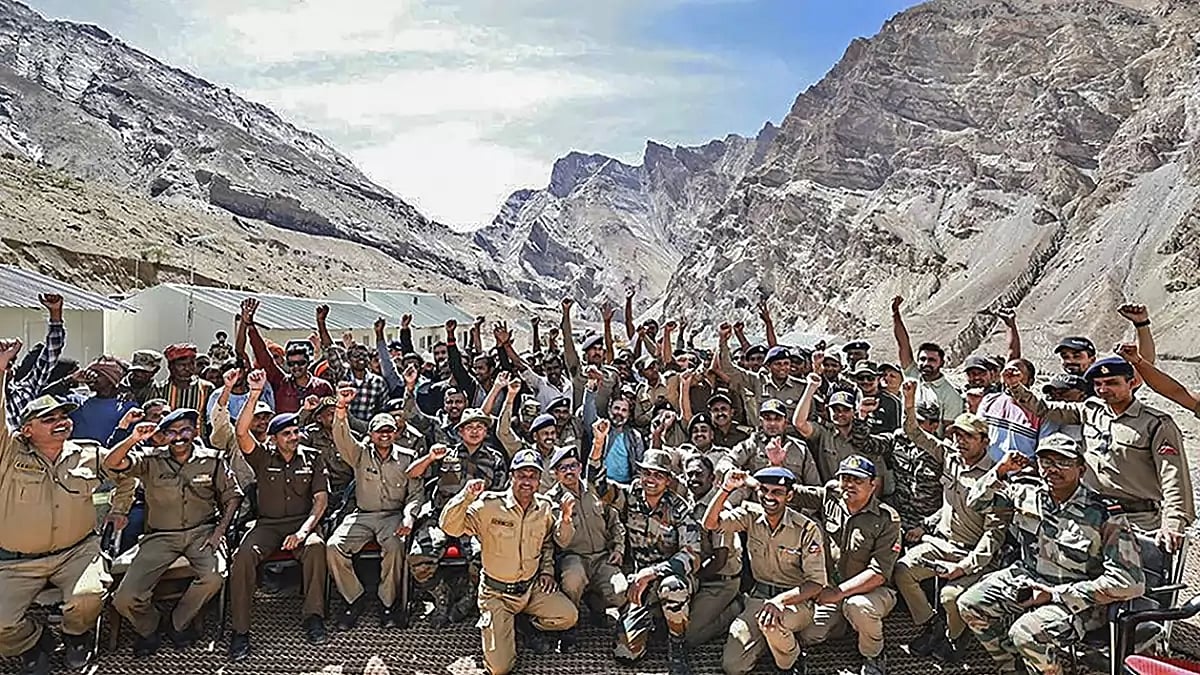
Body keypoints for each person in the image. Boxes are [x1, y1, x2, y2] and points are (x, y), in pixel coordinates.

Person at [0, 338, 136, 674]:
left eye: (64, 415)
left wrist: (119, 509)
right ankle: (33, 642)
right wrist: (1, 368)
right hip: (17, 563)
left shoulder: (88, 451)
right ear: (26, 430)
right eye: (49, 419)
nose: (61, 421)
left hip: (77, 552)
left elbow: (126, 475)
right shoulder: (8, 453)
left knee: (88, 596)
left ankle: (77, 636)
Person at [957, 436, 1145, 675]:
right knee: (970, 604)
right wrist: (1000, 469)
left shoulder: (1104, 513)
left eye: (1063, 462)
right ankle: (1014, 667)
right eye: (1045, 461)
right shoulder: (1027, 494)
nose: (1052, 469)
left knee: (1026, 633)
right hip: (1029, 578)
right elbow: (975, 502)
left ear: (1081, 468)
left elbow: (1129, 583)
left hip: (1078, 599)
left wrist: (1054, 595)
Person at [1003, 357, 1194, 555]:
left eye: (1112, 383)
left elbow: (1173, 476)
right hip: (1090, 514)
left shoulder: (1155, 424)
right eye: (1098, 384)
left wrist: (1173, 523)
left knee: (1133, 580)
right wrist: (1016, 387)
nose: (1103, 389)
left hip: (1136, 519)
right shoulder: (1091, 410)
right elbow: (1045, 409)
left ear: (1131, 383)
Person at [105, 408, 242, 657]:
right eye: (172, 432)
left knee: (214, 577)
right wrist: (134, 438)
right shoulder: (149, 460)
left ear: (196, 431)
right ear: (164, 435)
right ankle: (150, 627)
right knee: (124, 597)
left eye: (185, 430)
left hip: (202, 532)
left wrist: (220, 531)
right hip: (160, 536)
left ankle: (179, 623)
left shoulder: (213, 459)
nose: (179, 437)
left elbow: (233, 496)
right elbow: (111, 463)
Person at [893, 381, 1005, 663]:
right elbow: (914, 433)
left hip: (973, 554)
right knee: (903, 570)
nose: (960, 441)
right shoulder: (950, 458)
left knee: (950, 596)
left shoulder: (995, 477)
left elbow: (994, 536)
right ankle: (932, 625)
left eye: (968, 436)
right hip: (942, 544)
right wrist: (908, 401)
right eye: (957, 435)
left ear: (984, 440)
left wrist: (962, 567)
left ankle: (956, 638)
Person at [440, 450, 578, 675]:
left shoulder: (543, 507)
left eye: (532, 476)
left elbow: (549, 542)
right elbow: (449, 527)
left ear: (539, 480)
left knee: (568, 616)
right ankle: (502, 624)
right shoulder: (489, 505)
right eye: (521, 475)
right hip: (497, 594)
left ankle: (521, 624)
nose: (527, 481)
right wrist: (465, 496)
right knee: (500, 669)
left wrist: (547, 571)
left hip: (530, 590)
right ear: (511, 476)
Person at [227, 371, 329, 659]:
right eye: (287, 433)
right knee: (242, 557)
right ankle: (241, 631)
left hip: (301, 523)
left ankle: (314, 617)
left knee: (315, 549)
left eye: (296, 432)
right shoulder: (261, 457)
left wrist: (304, 532)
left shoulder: (312, 457)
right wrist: (255, 393)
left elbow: (320, 500)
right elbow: (241, 432)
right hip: (267, 526)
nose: (294, 437)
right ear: (273, 439)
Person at [592, 432, 699, 674]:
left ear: (668, 480)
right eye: (647, 473)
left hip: (672, 577)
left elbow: (692, 555)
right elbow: (598, 486)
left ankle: (677, 644)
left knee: (672, 588)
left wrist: (652, 572)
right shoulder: (630, 497)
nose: (651, 479)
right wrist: (598, 445)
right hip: (640, 581)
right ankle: (654, 619)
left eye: (659, 475)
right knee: (626, 654)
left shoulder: (679, 509)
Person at [707, 467, 827, 675]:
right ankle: (773, 643)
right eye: (764, 490)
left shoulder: (806, 528)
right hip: (759, 598)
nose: (769, 497)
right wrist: (726, 488)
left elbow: (816, 583)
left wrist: (780, 601)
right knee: (733, 666)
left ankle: (791, 661)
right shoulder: (750, 516)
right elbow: (710, 523)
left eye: (777, 492)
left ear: (789, 496)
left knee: (773, 624)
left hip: (795, 601)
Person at [789, 456, 902, 675]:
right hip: (833, 587)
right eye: (845, 478)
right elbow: (793, 492)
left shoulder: (888, 519)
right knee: (810, 635)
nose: (849, 485)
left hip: (873, 591)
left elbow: (877, 574)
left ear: (873, 484)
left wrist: (836, 594)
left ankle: (874, 654)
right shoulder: (831, 496)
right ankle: (848, 624)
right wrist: (772, 469)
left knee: (859, 607)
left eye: (857, 480)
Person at [327, 387, 424, 630]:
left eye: (389, 430)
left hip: (392, 516)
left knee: (395, 546)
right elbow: (342, 437)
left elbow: (415, 494)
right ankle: (353, 598)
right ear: (370, 433)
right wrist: (341, 409)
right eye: (380, 430)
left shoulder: (408, 457)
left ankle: (387, 603)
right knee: (333, 546)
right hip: (362, 515)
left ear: (395, 433)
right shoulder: (359, 454)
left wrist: (409, 517)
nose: (385, 434)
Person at [407, 407, 508, 627]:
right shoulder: (445, 454)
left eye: (479, 427)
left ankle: (469, 598)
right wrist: (429, 458)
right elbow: (412, 473)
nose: (474, 431)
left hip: (475, 522)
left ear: (485, 432)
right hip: (442, 518)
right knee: (418, 556)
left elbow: (501, 495)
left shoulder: (495, 459)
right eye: (469, 427)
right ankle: (442, 597)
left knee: (483, 557)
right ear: (460, 431)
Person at [544, 439, 625, 651]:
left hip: (601, 557)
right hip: (573, 558)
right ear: (555, 473)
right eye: (563, 468)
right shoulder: (551, 500)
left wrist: (618, 549)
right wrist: (566, 516)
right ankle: (569, 627)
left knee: (621, 591)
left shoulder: (595, 489)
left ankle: (597, 607)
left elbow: (614, 521)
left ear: (580, 468)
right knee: (573, 579)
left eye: (573, 466)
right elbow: (560, 540)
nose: (569, 471)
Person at [680, 455, 743, 648]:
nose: (693, 479)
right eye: (689, 475)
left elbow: (720, 560)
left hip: (719, 581)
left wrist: (694, 577)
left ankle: (736, 608)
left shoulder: (720, 508)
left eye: (699, 474)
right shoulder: (687, 503)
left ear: (712, 479)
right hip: (699, 574)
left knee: (688, 636)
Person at [891, 296, 964, 427]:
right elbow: (903, 343)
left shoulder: (951, 395)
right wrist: (895, 314)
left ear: (941, 363)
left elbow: (949, 429)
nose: (926, 364)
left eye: (932, 360)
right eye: (922, 359)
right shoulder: (912, 374)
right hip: (904, 443)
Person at [3, 295, 64, 429]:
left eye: (11, 361)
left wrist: (55, 314)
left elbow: (50, 355)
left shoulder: (25, 391)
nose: (8, 367)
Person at [152, 345, 214, 432]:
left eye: (192, 363)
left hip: (198, 439)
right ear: (171, 366)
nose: (188, 368)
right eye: (182, 365)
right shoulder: (159, 389)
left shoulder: (206, 388)